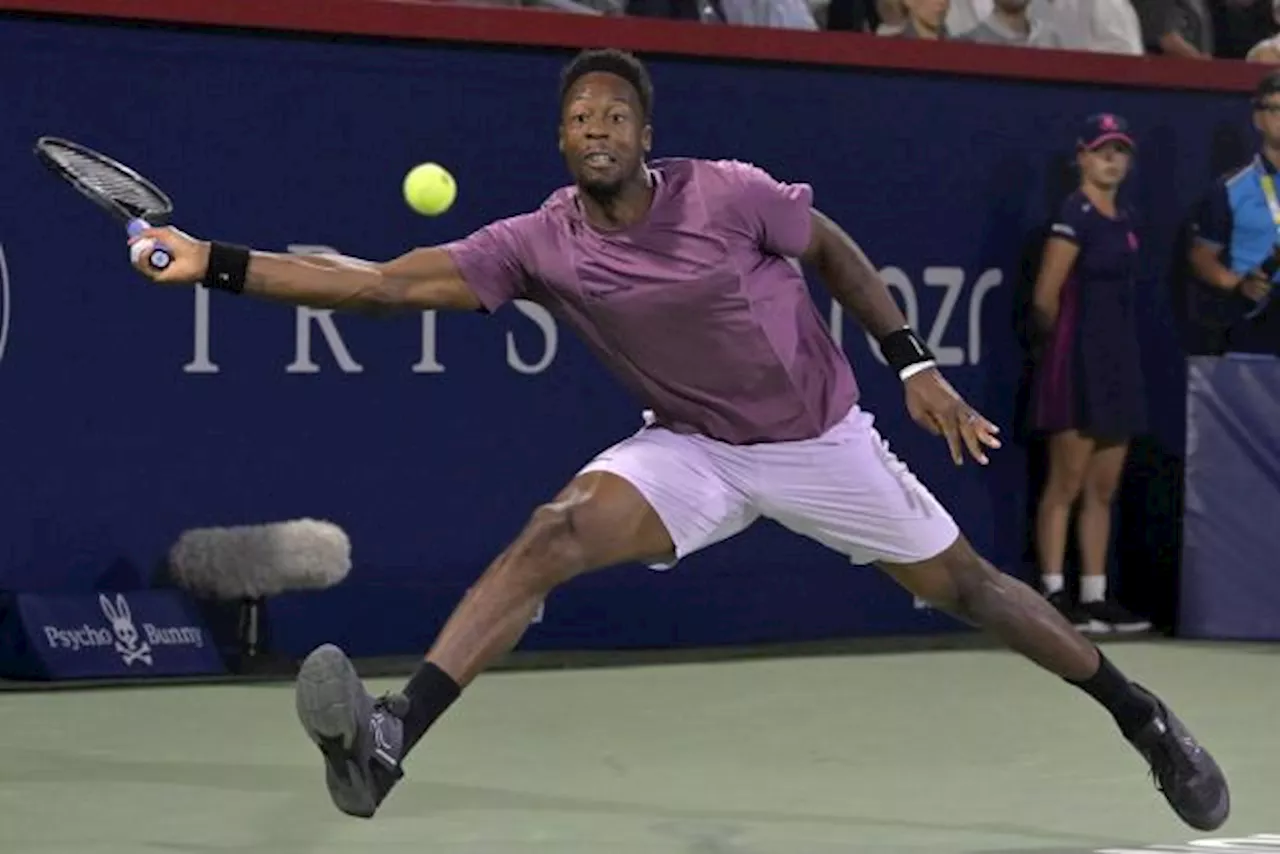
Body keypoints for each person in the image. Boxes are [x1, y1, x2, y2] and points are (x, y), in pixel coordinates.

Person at [127, 48, 1228, 832]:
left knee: (973, 588)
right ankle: (387, 737)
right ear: (559, 140)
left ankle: (1142, 718)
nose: (595, 129)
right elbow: (375, 286)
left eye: (614, 114)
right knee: (554, 529)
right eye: (577, 118)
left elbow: (833, 248)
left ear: (644, 133)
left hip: (819, 440)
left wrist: (911, 361)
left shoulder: (729, 194)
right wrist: (211, 260)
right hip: (692, 447)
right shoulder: (537, 242)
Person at [1029, 114, 1154, 636]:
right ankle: (1053, 593)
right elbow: (1044, 298)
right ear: (1082, 156)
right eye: (1103, 150)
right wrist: (1068, 352)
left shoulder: (1123, 217)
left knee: (1103, 488)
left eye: (1121, 150)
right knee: (1067, 483)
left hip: (1119, 364)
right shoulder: (1073, 213)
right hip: (1076, 364)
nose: (1113, 160)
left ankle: (1095, 596)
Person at [1188, 70, 1280, 356]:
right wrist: (1238, 283)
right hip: (1258, 326)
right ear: (1258, 118)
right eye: (1277, 109)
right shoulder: (1231, 188)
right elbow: (1201, 258)